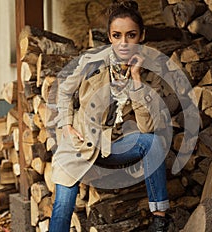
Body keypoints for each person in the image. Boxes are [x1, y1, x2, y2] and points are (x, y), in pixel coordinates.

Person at [49, 1, 174, 231]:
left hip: (114, 144)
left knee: (153, 142)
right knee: (62, 204)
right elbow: (65, 91)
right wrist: (66, 124)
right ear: (109, 37)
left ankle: (160, 220)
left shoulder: (150, 73)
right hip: (80, 142)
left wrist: (136, 79)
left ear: (142, 35)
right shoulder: (91, 61)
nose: (124, 43)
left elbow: (146, 127)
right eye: (117, 35)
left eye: (131, 35)